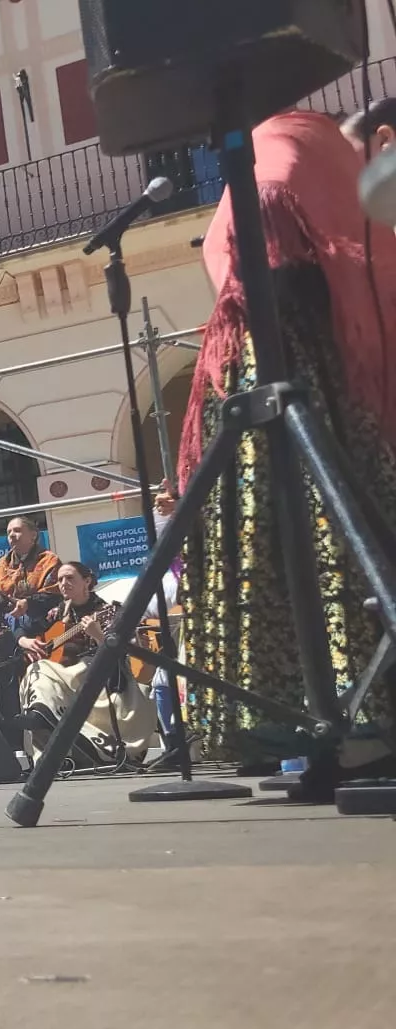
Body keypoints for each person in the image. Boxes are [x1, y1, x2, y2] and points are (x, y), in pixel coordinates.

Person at [183, 110, 396, 796]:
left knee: (305, 536)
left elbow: (259, 218)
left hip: (275, 347)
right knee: (317, 533)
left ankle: (348, 735)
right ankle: (342, 736)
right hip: (292, 351)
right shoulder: (310, 143)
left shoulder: (296, 143)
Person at [15, 561, 156, 766]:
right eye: (60, 579)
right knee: (36, 668)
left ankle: (42, 716)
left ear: (87, 581)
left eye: (70, 578)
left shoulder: (107, 611)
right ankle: (43, 719)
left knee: (42, 668)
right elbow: (20, 631)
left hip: (98, 675)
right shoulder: (57, 612)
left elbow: (120, 655)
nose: (63, 583)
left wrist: (99, 637)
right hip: (64, 678)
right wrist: (25, 641)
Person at [0, 518, 60, 631]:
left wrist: (28, 603)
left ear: (33, 535)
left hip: (42, 625)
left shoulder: (49, 561)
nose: (11, 535)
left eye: (17, 530)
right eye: (8, 532)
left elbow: (54, 594)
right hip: (8, 626)